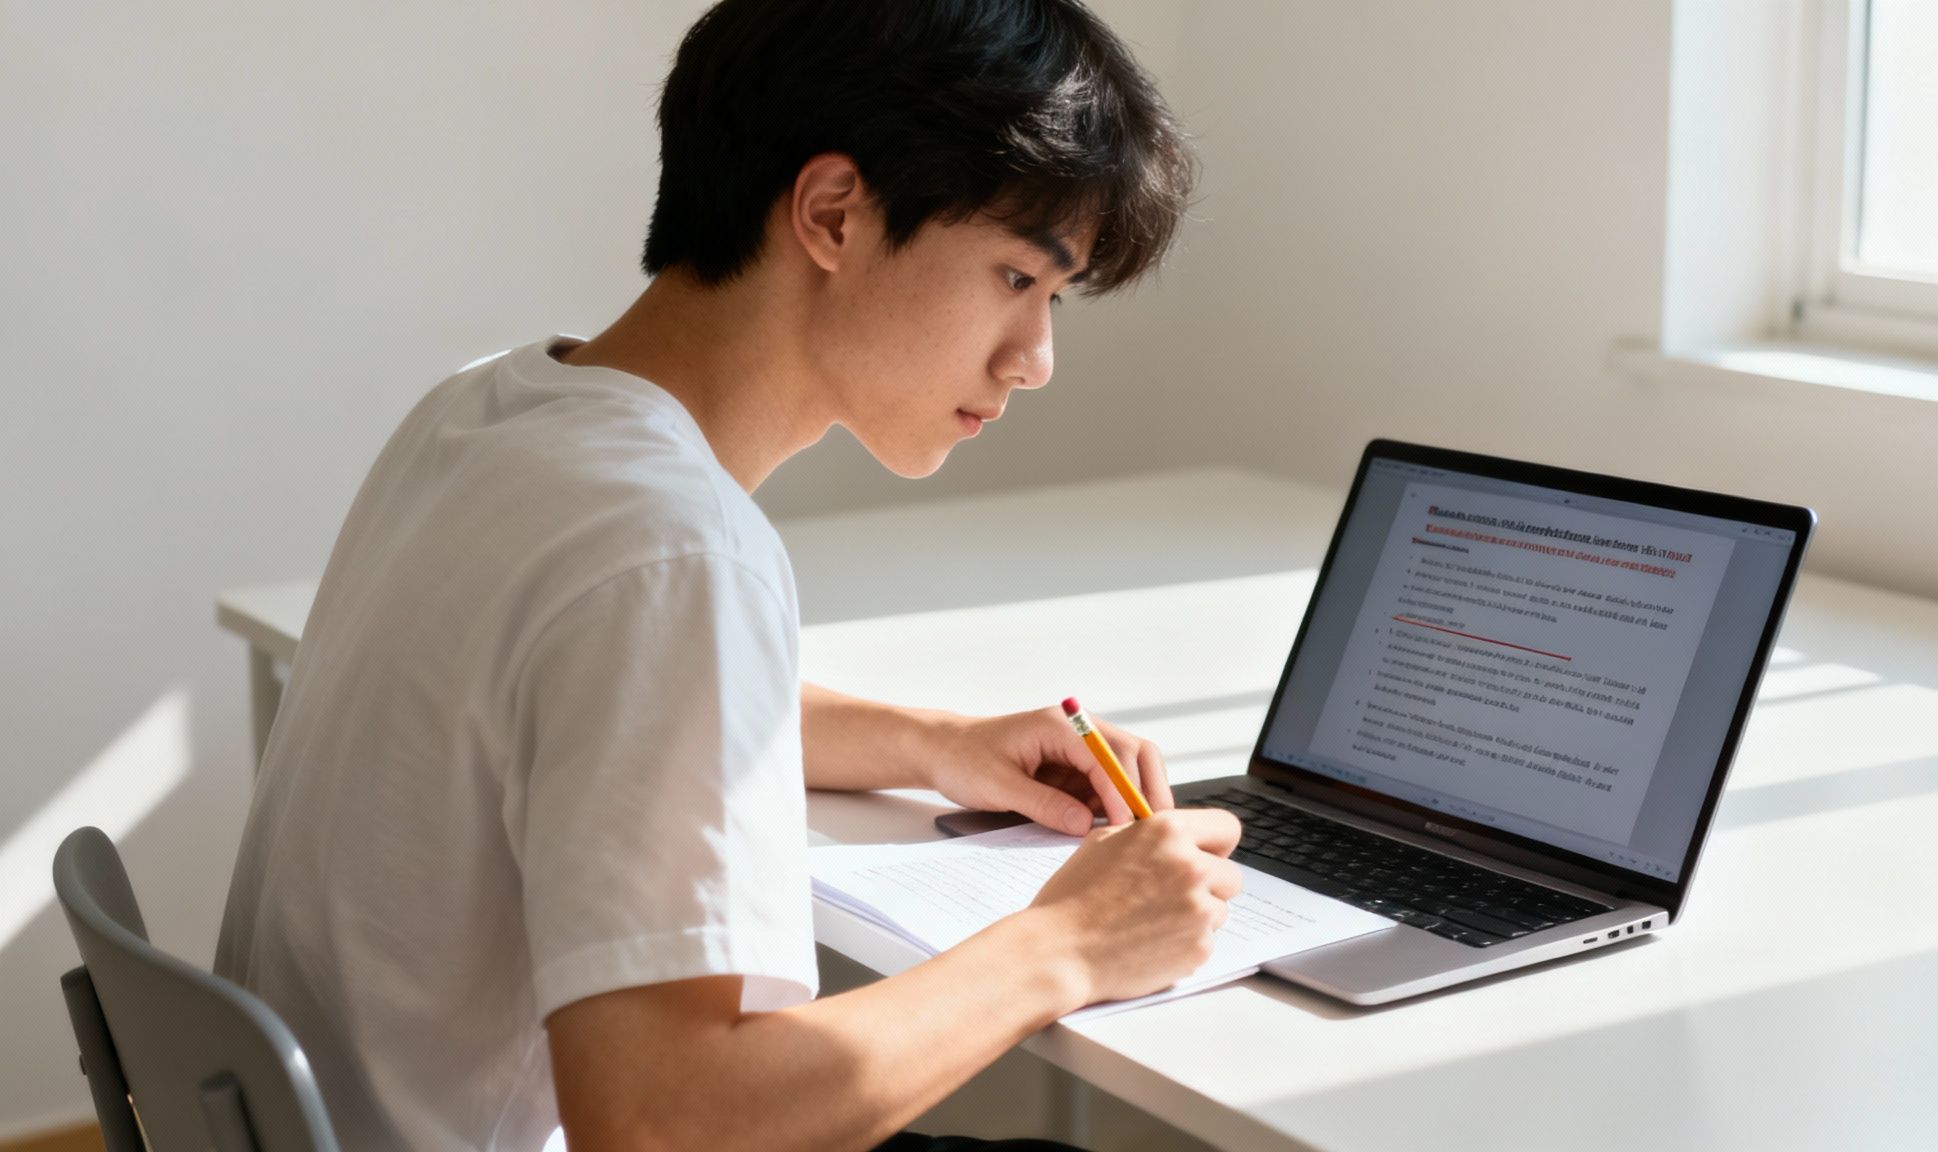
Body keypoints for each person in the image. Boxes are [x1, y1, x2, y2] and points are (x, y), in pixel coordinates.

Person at [214, 1, 1242, 1149]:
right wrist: (1066, 946)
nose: (1034, 359)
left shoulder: (489, 414)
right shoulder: (670, 552)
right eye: (1016, 277)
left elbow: (569, 704)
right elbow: (665, 1123)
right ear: (833, 214)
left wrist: (927, 743)